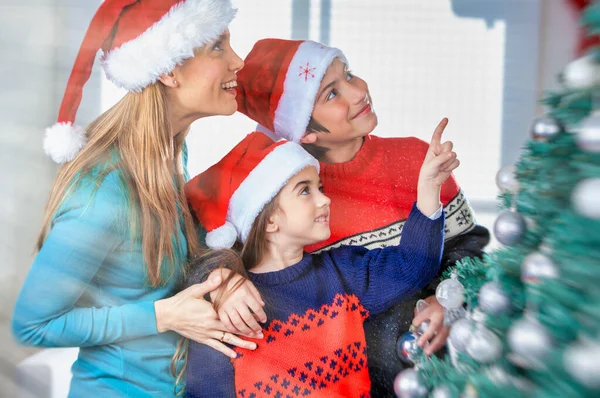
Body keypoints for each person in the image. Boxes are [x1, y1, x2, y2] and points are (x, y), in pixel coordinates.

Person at [11, 1, 266, 396]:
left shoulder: (167, 155)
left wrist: (221, 273)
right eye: (218, 46)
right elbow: (33, 324)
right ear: (168, 70)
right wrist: (161, 316)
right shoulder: (105, 191)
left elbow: (160, 271)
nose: (237, 61)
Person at [234, 38, 491, 396]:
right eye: (331, 94)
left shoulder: (417, 159)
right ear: (304, 129)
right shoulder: (290, 201)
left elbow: (470, 253)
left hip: (444, 377)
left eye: (350, 75)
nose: (357, 93)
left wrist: (449, 303)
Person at [182, 125, 459, 397]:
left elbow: (411, 267)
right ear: (268, 220)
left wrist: (428, 189)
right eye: (305, 191)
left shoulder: (343, 272)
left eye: (320, 188)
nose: (325, 199)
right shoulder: (231, 308)